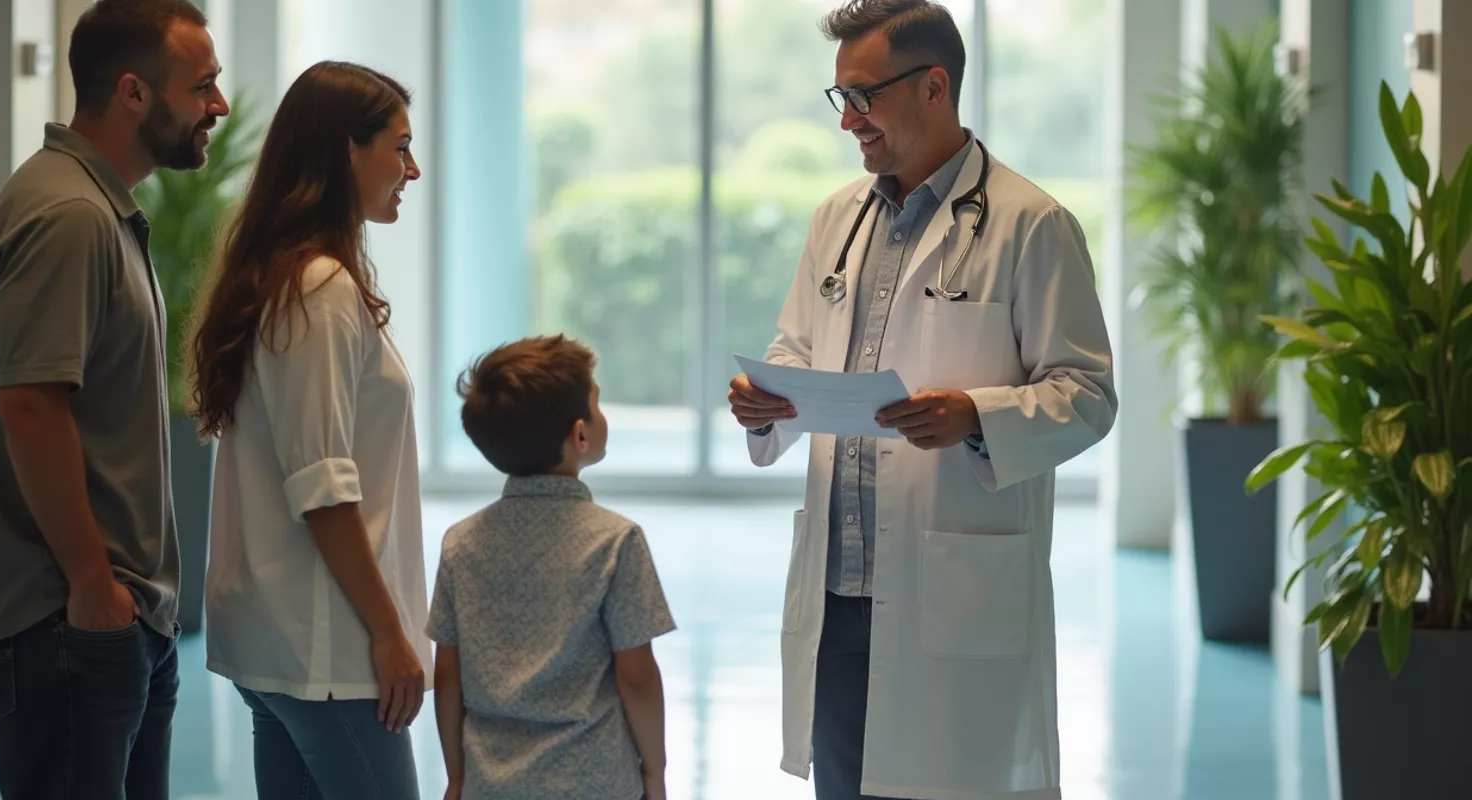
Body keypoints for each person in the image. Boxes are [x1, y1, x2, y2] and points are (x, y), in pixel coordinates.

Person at [726, 2, 1117, 798]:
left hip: (955, 584)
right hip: (840, 590)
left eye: (863, 97)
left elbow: (1088, 393)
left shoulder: (1032, 225)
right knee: (841, 784)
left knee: (951, 782)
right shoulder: (837, 218)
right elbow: (796, 347)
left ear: (934, 85)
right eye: (840, 99)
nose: (850, 123)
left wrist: (979, 417)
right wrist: (765, 393)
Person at [0, 2, 228, 798]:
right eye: (203, 87)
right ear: (133, 94)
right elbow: (28, 405)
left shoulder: (97, 207)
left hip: (108, 618)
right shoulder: (69, 215)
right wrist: (93, 586)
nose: (218, 107)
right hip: (65, 620)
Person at [186, 60, 428, 799]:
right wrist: (389, 633)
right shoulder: (320, 288)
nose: (411, 169)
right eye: (399, 145)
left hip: (280, 645)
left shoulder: (284, 276)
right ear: (346, 151)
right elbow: (322, 484)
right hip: (327, 651)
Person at [428, 335, 676, 800]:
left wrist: (458, 777)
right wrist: (655, 772)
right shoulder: (615, 542)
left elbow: (447, 675)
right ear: (580, 434)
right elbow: (637, 676)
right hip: (594, 778)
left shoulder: (460, 544)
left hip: (492, 780)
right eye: (598, 405)